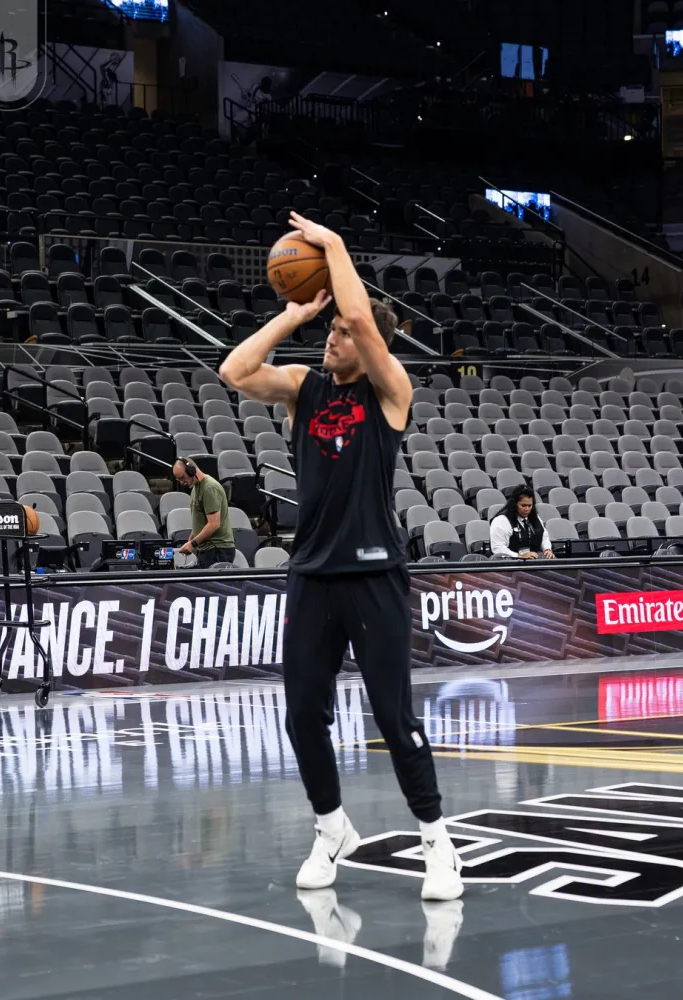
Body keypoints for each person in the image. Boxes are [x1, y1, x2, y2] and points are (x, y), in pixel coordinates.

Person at [219, 211, 463, 902]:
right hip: (313, 574)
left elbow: (358, 310)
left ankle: (437, 842)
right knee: (302, 714)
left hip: (376, 571)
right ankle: (331, 828)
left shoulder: (392, 393)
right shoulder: (304, 386)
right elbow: (234, 370)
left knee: (394, 717)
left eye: (342, 330)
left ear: (373, 345)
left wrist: (338, 248)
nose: (335, 334)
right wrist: (294, 315)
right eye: (330, 329)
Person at [172, 458, 235, 567]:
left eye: (182, 478)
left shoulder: (209, 488)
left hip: (217, 549)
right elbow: (200, 521)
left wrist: (193, 543)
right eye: (178, 480)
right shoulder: (195, 489)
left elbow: (214, 524)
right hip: (208, 549)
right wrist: (190, 540)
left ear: (191, 471)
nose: (182, 483)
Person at [490, 486, 555, 560]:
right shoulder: (501, 520)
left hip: (532, 558)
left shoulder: (535, 517)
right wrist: (519, 556)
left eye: (529, 505)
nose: (527, 509)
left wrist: (547, 549)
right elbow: (497, 548)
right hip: (509, 560)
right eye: (523, 505)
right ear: (515, 504)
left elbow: (543, 536)